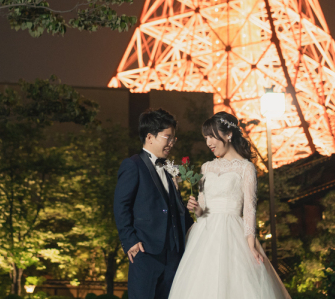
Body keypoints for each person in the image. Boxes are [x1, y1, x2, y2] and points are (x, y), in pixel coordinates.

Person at [167, 111, 291, 299]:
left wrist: (251, 245)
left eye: (211, 136)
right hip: (205, 234)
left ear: (229, 134)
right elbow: (202, 210)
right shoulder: (206, 167)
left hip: (233, 232)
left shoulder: (246, 168)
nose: (208, 142)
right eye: (206, 138)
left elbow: (249, 208)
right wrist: (196, 208)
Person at [113, 108, 195, 299]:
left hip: (173, 255)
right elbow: (121, 205)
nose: (172, 143)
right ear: (150, 137)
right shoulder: (133, 165)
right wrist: (130, 241)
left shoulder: (169, 169)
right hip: (145, 252)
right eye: (168, 137)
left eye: (174, 138)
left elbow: (173, 209)